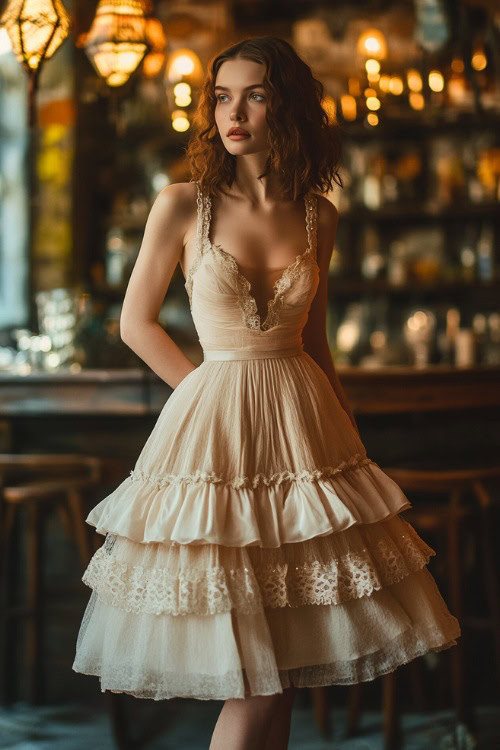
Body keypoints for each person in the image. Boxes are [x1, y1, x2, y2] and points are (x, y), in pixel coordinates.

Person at [72, 37, 461, 750]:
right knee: (255, 680)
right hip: (214, 432)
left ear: (286, 105)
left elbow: (315, 343)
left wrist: (349, 437)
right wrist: (205, 393)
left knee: (283, 672)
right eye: (222, 96)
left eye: (253, 94)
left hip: (304, 432)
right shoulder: (182, 204)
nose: (234, 111)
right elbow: (135, 323)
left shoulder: (319, 217)